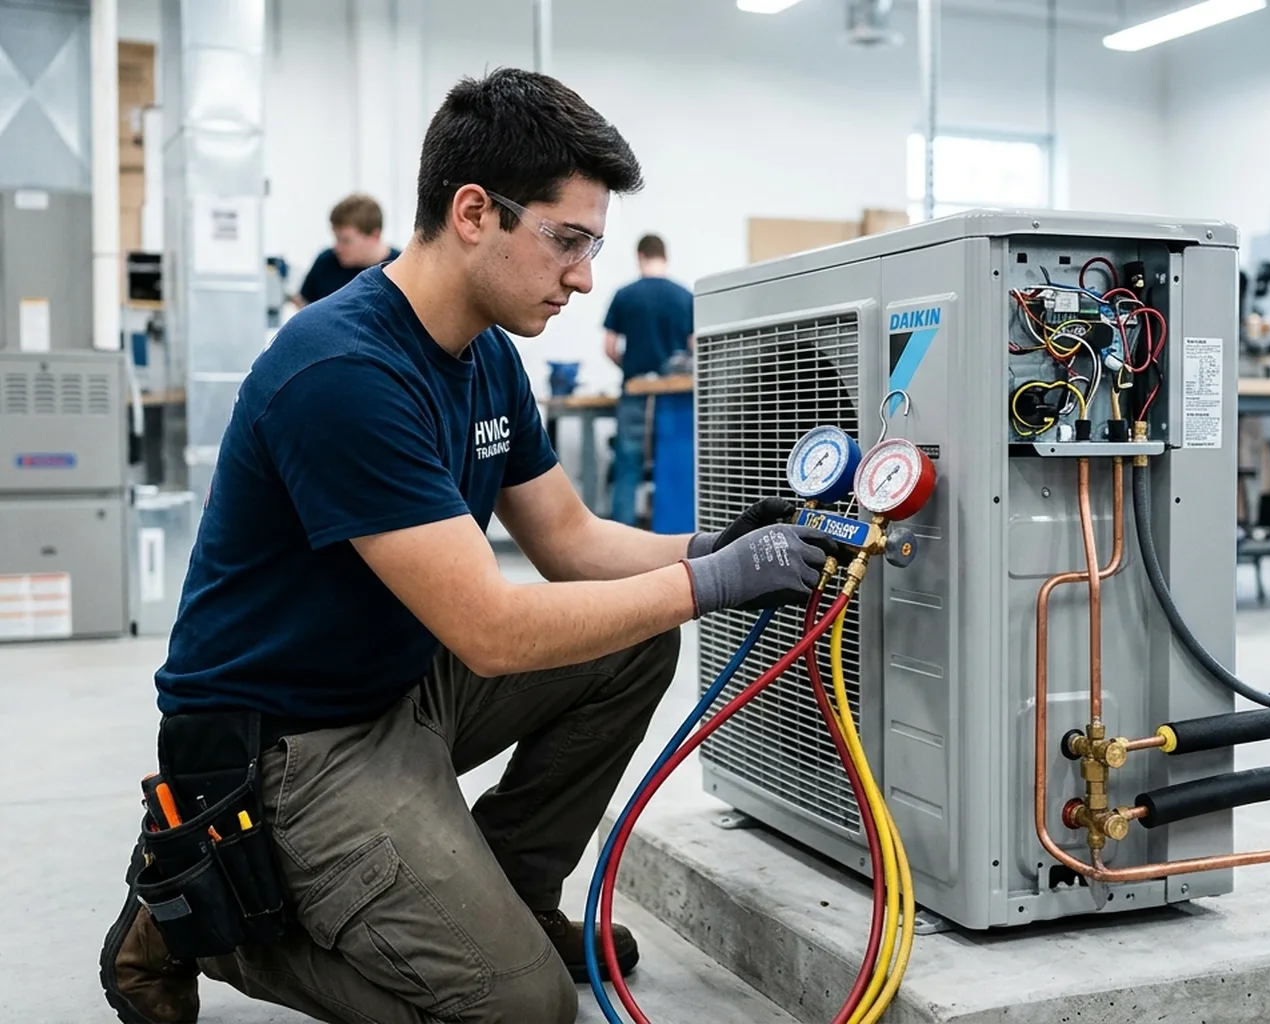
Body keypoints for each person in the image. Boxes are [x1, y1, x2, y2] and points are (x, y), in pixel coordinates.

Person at [100, 68, 834, 1024]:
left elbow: (570, 540)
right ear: (475, 212)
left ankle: (517, 899)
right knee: (522, 1012)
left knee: (632, 638)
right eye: (567, 240)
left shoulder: (486, 355)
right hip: (288, 745)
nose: (584, 277)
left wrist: (708, 546)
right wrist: (710, 584)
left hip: (398, 682)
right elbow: (491, 631)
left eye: (593, 246)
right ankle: (216, 928)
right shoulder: (343, 371)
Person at [602, 234, 694, 526]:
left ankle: (620, 541)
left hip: (635, 394)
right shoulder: (684, 296)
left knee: (627, 470)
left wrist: (629, 368)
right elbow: (695, 347)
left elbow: (609, 347)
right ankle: (674, 538)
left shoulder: (624, 295)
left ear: (639, 256)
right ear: (664, 257)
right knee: (675, 469)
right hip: (676, 401)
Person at [292, 193, 402, 307]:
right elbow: (304, 305)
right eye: (336, 238)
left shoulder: (401, 269)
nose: (338, 247)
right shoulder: (325, 263)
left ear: (374, 236)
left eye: (346, 241)